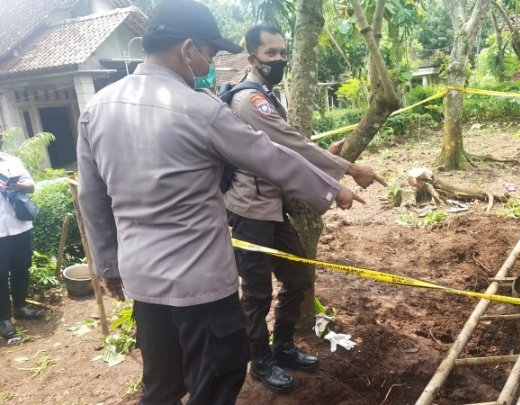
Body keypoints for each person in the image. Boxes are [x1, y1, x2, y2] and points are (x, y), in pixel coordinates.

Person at [76, 1, 361, 404]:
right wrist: (333, 188)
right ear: (187, 47)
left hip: (143, 283)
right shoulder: (200, 109)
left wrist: (107, 263)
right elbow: (268, 155)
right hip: (201, 288)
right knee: (217, 380)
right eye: (209, 51)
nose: (209, 61)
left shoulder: (96, 109)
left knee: (162, 387)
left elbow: (92, 198)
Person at [223, 24, 385, 394]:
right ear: (252, 59)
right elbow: (289, 144)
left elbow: (283, 149)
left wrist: (328, 158)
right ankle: (260, 361)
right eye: (270, 54)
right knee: (257, 292)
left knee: (297, 279)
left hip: (272, 206)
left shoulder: (264, 94)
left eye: (282, 53)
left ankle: (282, 346)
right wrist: (347, 172)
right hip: (249, 210)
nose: (279, 59)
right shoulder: (250, 100)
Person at [0, 138, 43, 345]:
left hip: (20, 226)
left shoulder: (11, 160)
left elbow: (31, 185)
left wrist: (17, 185)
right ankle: (3, 320)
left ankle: (20, 306)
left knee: (21, 268)